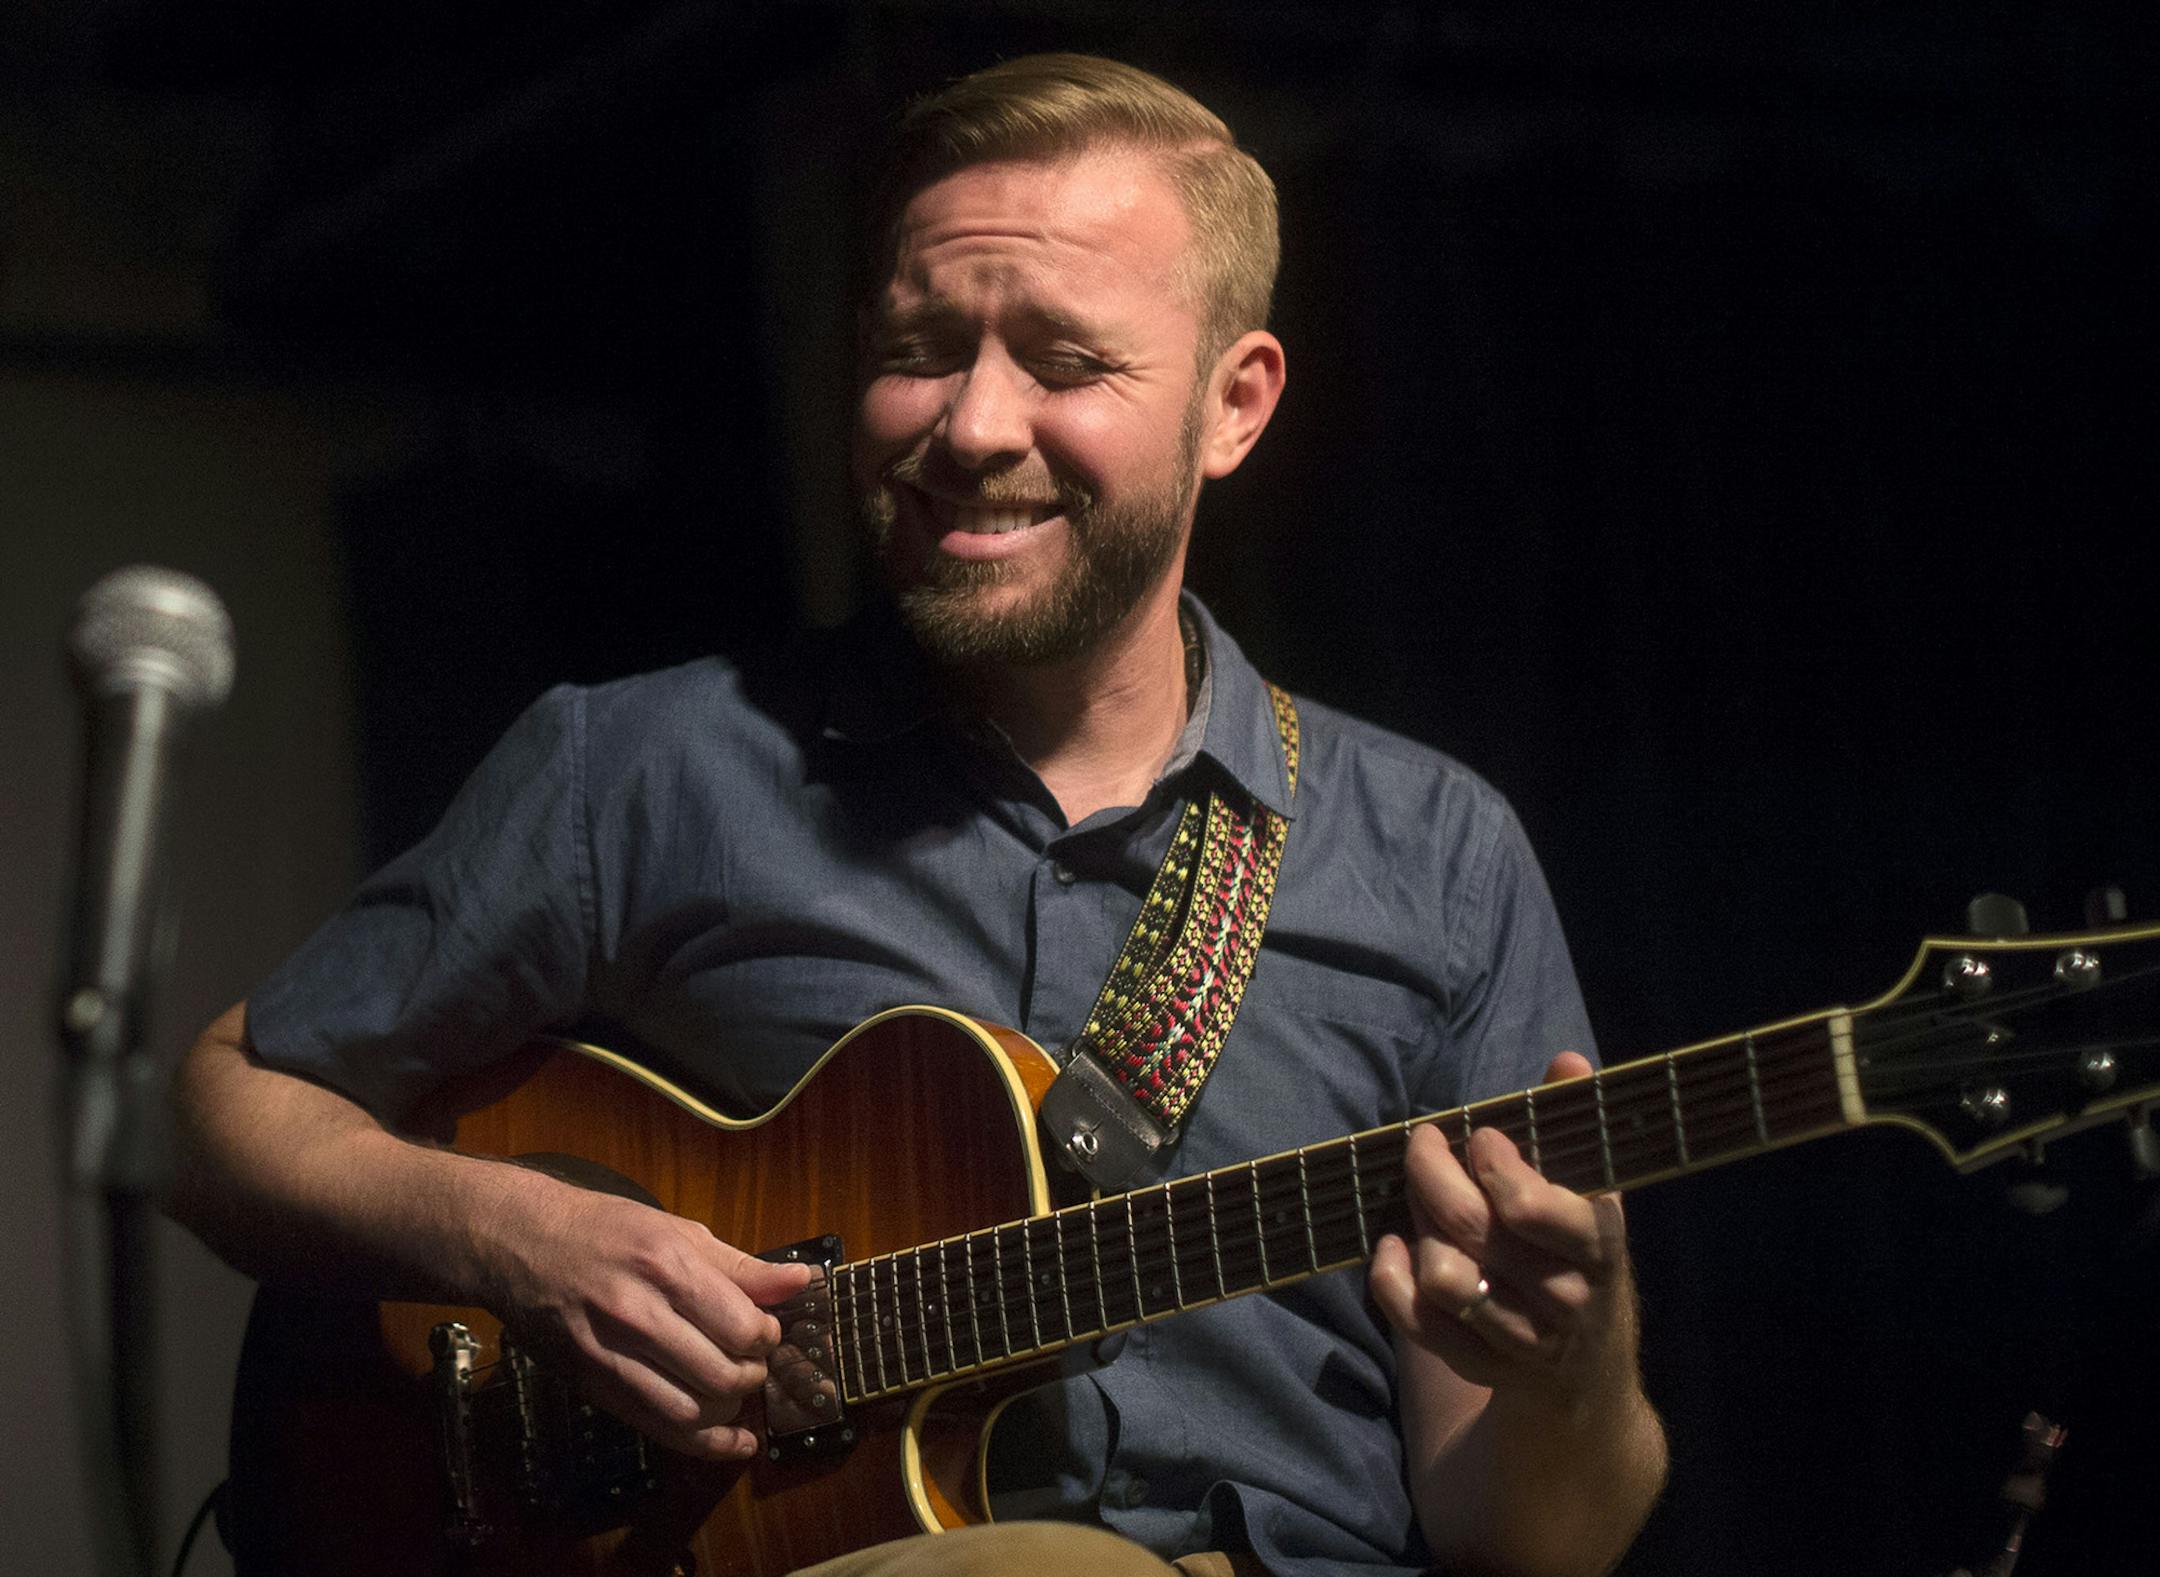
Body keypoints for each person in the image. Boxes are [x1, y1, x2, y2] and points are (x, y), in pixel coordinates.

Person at [169, 53, 1665, 1577]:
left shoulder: (1438, 855)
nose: (970, 425)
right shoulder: (641, 767)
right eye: (919, 346)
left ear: (1235, 405)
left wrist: (1571, 1364)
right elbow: (220, 1111)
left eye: (1065, 364)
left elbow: (1534, 1549)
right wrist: (519, 1242)